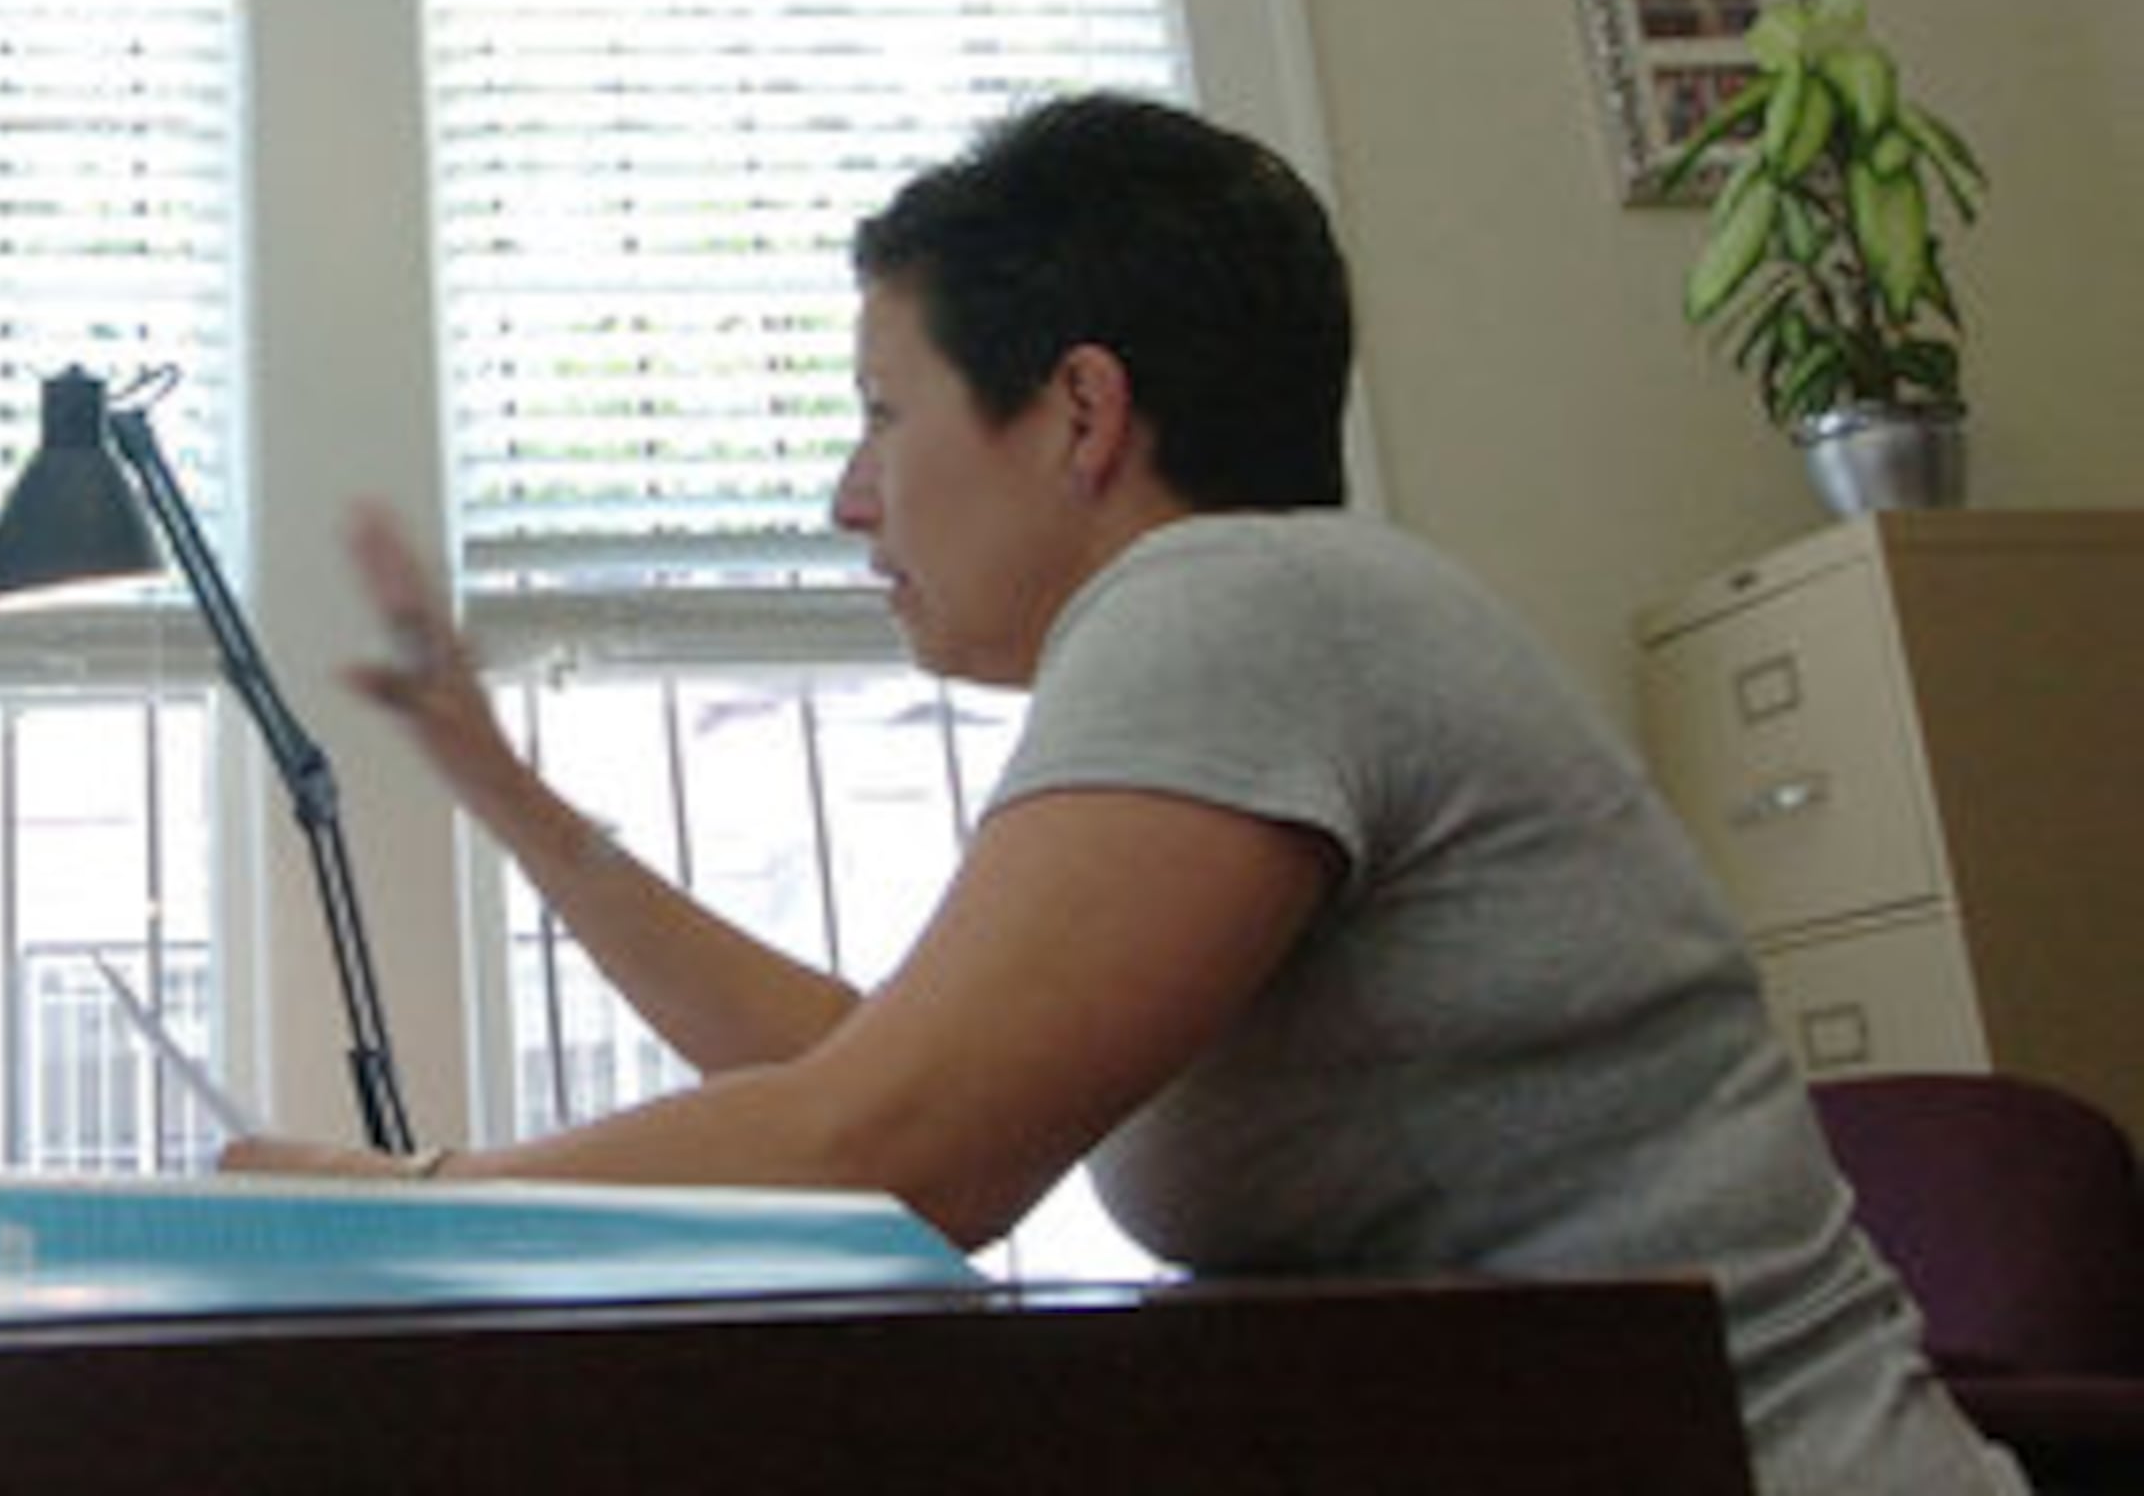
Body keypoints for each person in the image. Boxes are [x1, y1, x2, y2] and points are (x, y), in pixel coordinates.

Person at [228, 94, 2019, 1494]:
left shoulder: (1234, 603)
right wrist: (510, 792)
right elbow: (856, 1078)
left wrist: (384, 1208)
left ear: (1081, 413)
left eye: (881, 414)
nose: (852, 499)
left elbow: (896, 1152)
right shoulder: (1288, 617)